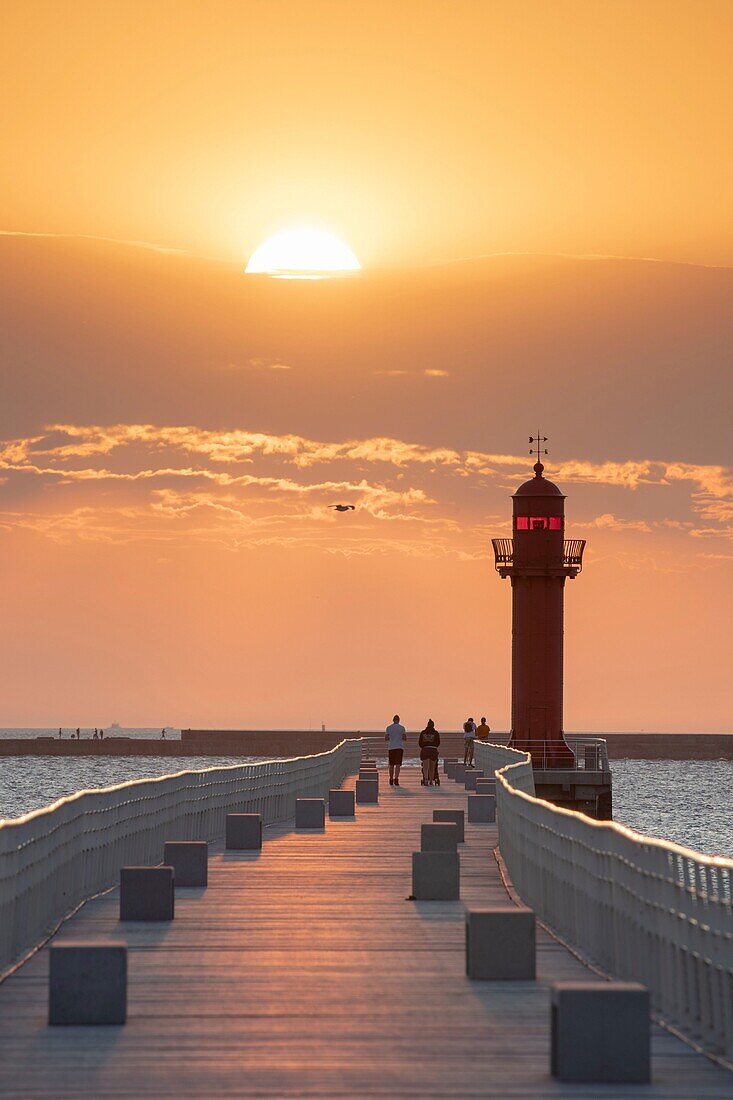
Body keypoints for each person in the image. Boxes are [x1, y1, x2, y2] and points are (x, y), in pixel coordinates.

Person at [385, 714, 407, 787]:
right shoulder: (402, 728)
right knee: (398, 765)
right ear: (399, 720)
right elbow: (404, 738)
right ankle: (396, 779)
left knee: (391, 765)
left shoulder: (389, 728)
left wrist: (392, 737)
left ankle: (391, 779)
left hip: (391, 747)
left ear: (393, 720)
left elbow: (386, 738)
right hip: (399, 748)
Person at [418, 719, 440, 786]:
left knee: (425, 766)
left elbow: (420, 743)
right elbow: (438, 743)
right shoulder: (436, 733)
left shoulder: (423, 732)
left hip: (425, 749)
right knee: (432, 767)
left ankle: (426, 779)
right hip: (433, 750)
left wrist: (424, 746)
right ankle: (431, 781)